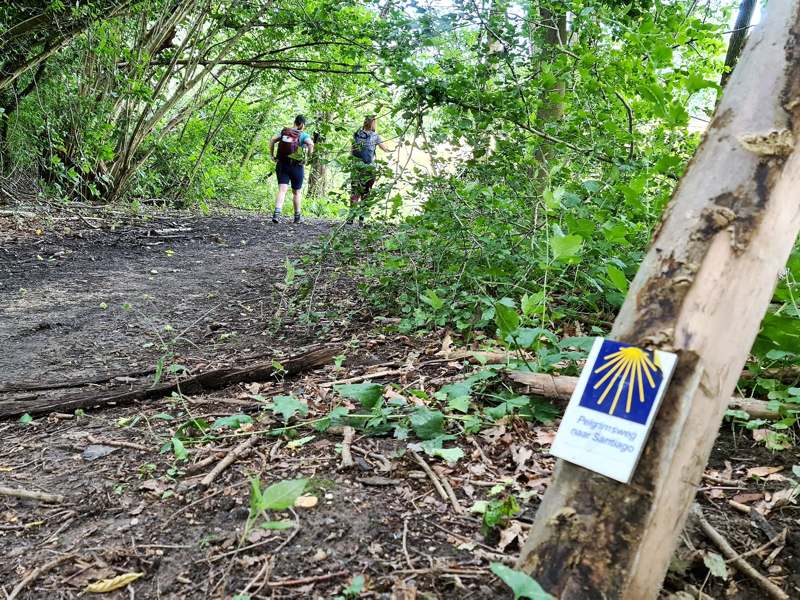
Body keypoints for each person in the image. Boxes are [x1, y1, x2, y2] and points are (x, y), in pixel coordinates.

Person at [270, 115, 314, 224]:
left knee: (282, 190)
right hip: (297, 166)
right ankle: (297, 217)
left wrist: (272, 155)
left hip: (282, 164)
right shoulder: (303, 135)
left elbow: (273, 140)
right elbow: (311, 144)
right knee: (296, 192)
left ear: (294, 122)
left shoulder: (284, 132)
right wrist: (308, 158)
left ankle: (276, 214)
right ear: (303, 124)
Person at [348, 115, 390, 224]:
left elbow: (383, 147)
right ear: (371, 123)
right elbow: (352, 149)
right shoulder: (361, 134)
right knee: (360, 191)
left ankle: (357, 217)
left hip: (363, 167)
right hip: (362, 168)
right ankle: (356, 217)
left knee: (361, 191)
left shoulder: (369, 135)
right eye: (374, 122)